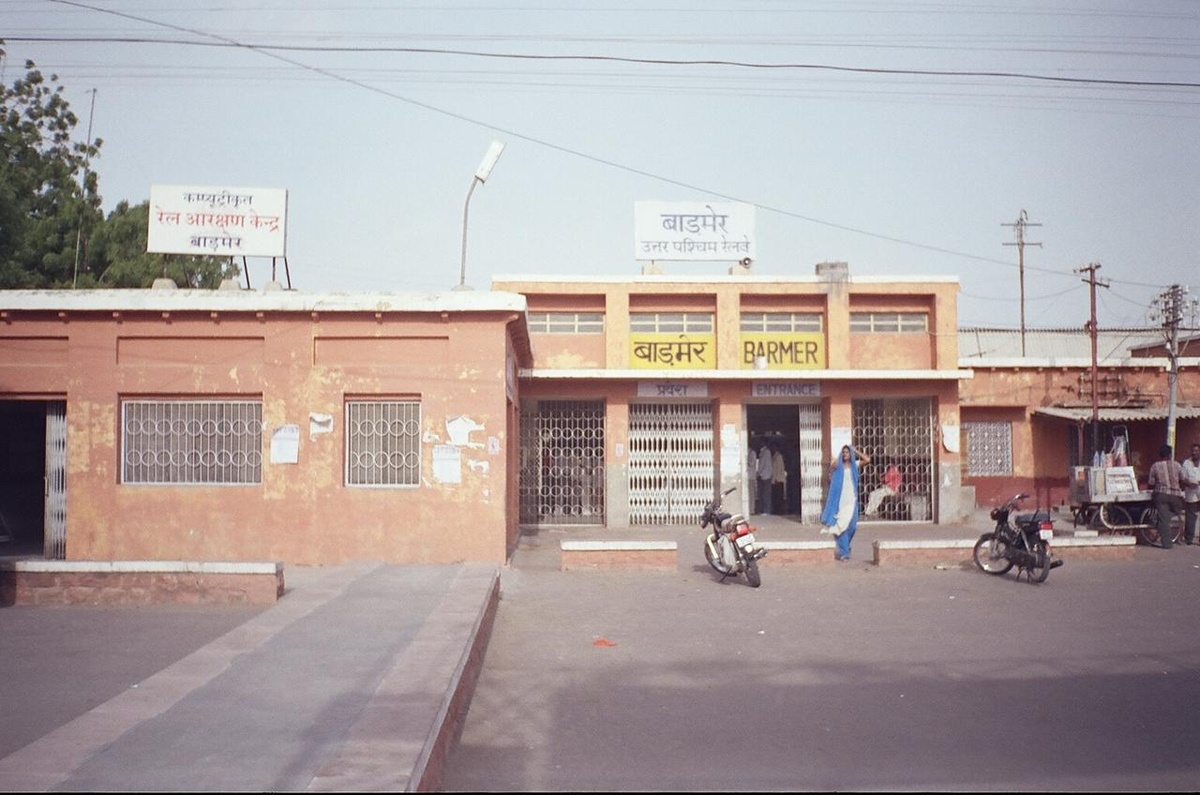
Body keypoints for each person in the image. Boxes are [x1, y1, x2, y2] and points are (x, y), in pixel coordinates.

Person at [820, 444, 870, 561]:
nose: (845, 454)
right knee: (841, 526)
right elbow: (830, 472)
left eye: (847, 452)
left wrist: (855, 450)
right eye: (843, 452)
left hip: (852, 500)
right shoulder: (838, 465)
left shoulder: (854, 465)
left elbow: (867, 459)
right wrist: (832, 472)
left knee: (852, 526)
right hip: (840, 500)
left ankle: (846, 545)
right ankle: (844, 552)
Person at [1147, 443, 1186, 550]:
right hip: (1176, 496)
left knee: (1163, 520)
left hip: (1161, 495)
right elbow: (1183, 479)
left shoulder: (1155, 466)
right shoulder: (1177, 465)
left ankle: (1167, 544)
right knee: (1177, 512)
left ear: (1160, 455)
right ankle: (1168, 517)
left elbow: (1151, 483)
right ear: (1170, 454)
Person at [1182, 443, 1200, 546]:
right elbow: (1182, 478)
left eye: (1196, 451)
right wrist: (1189, 483)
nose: (1194, 453)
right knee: (1190, 516)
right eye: (1193, 451)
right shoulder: (1186, 463)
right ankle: (1189, 538)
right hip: (1190, 491)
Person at [755, 439, 773, 515]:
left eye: (761, 442)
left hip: (765, 476)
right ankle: (763, 510)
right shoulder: (763, 452)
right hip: (763, 475)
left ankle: (766, 510)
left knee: (766, 494)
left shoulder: (766, 452)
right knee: (762, 494)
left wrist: (758, 474)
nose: (759, 444)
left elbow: (762, 465)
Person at [771, 441, 788, 515]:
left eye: (774, 447)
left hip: (778, 479)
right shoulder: (774, 456)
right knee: (776, 496)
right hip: (775, 479)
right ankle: (776, 510)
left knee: (779, 496)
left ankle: (780, 511)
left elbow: (779, 468)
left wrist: (776, 478)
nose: (772, 448)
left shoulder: (779, 456)